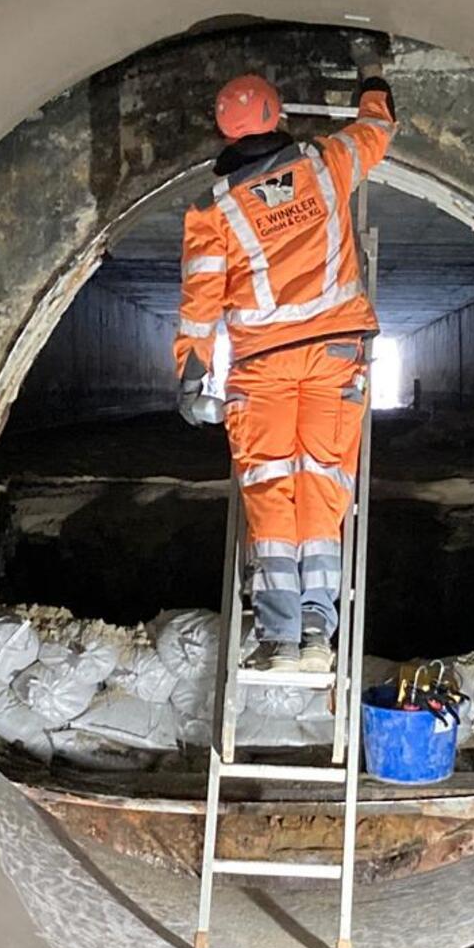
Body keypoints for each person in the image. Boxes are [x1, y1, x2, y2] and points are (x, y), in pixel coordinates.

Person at [172, 57, 396, 673]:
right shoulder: (326, 165)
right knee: (323, 484)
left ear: (225, 134)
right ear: (282, 117)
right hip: (335, 356)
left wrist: (192, 374)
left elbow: (202, 299)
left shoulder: (213, 210)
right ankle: (320, 631)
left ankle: (280, 638)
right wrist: (373, 88)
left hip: (263, 368)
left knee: (273, 491)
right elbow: (377, 132)